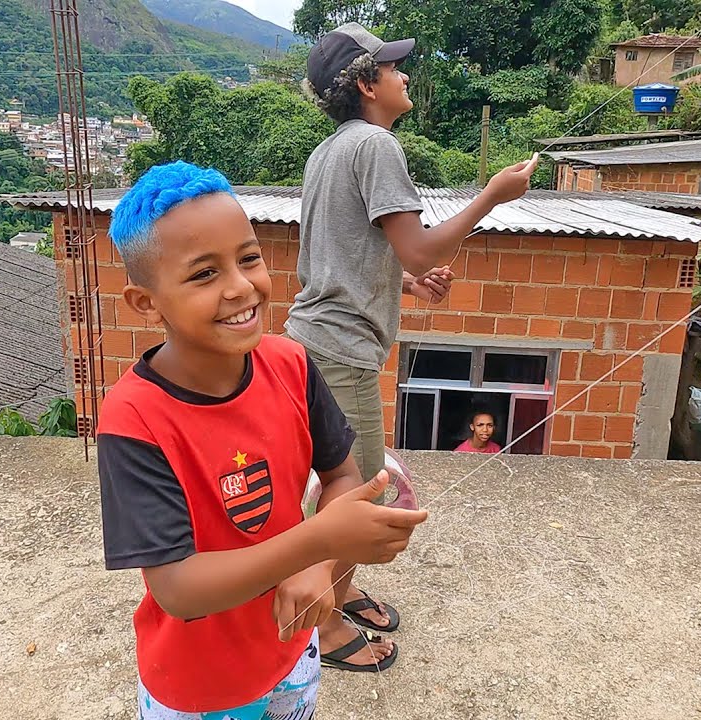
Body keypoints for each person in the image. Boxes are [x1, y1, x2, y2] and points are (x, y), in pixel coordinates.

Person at [97, 160, 429, 719]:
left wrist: (321, 566)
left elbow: (342, 474)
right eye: (204, 274)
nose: (239, 286)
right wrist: (317, 543)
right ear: (146, 303)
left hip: (292, 656)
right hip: (199, 685)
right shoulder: (134, 418)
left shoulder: (291, 363)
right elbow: (177, 588)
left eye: (248, 258)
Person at [285, 22, 539, 670]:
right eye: (394, 68)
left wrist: (404, 281)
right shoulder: (376, 145)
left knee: (343, 492)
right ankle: (323, 627)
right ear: (367, 84)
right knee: (358, 497)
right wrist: (493, 195)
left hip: (315, 344)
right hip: (340, 355)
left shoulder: (332, 150)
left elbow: (337, 258)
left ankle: (337, 591)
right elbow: (424, 243)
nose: (405, 76)